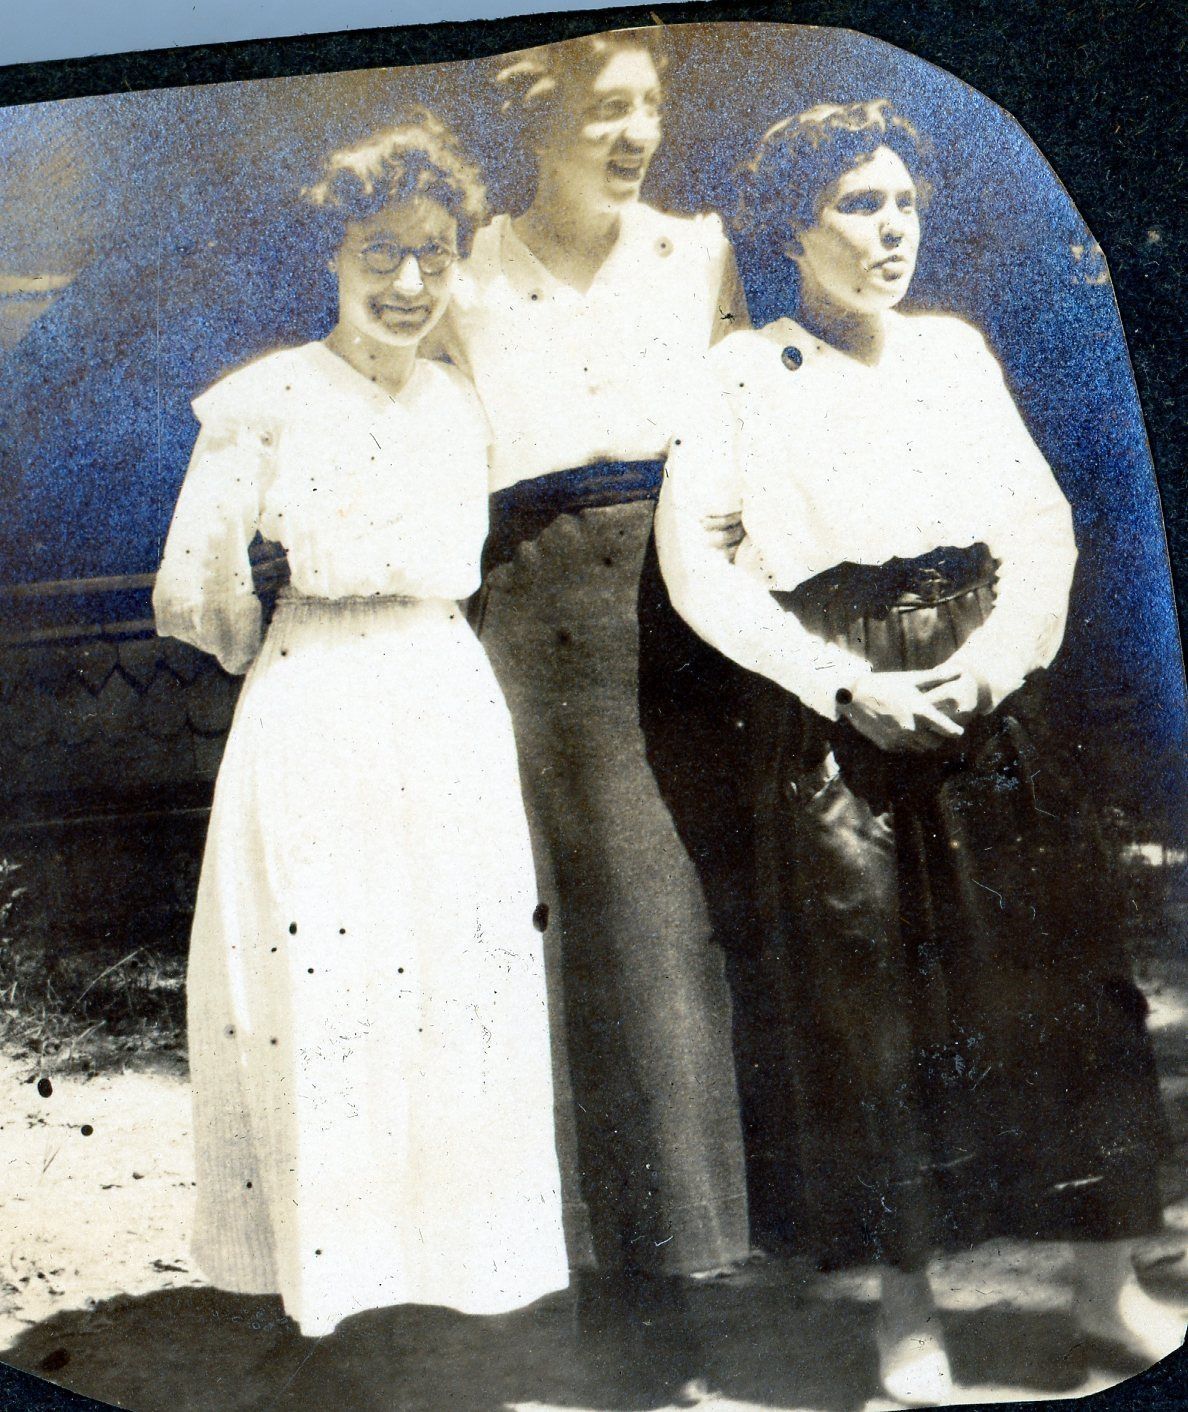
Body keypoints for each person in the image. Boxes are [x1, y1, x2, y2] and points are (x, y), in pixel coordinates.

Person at [656, 99, 1182, 1403]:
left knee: (1070, 973)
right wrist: (839, 683)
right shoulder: (740, 374)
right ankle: (907, 1317)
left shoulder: (953, 352)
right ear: (792, 229)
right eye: (858, 206)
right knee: (870, 1007)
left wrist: (995, 662)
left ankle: (1107, 1285)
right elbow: (696, 564)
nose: (891, 231)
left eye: (904, 205)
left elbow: (1039, 526)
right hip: (840, 709)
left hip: (985, 691)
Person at [153, 112, 568, 1339]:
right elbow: (196, 587)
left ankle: (448, 1273)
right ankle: (334, 1284)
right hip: (319, 692)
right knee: (326, 975)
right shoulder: (265, 400)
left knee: (449, 966)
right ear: (332, 256)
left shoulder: (460, 403)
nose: (408, 282)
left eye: (434, 253)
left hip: (441, 692)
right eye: (381, 251)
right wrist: (273, 644)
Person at [432, 25, 752, 1384]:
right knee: (567, 933)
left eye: (650, 107)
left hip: (681, 611)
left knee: (673, 928)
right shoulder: (465, 280)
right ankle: (591, 1277)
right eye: (608, 108)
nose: (637, 135)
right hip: (532, 619)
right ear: (538, 119)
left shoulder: (698, 254)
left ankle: (690, 1266)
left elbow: (746, 436)